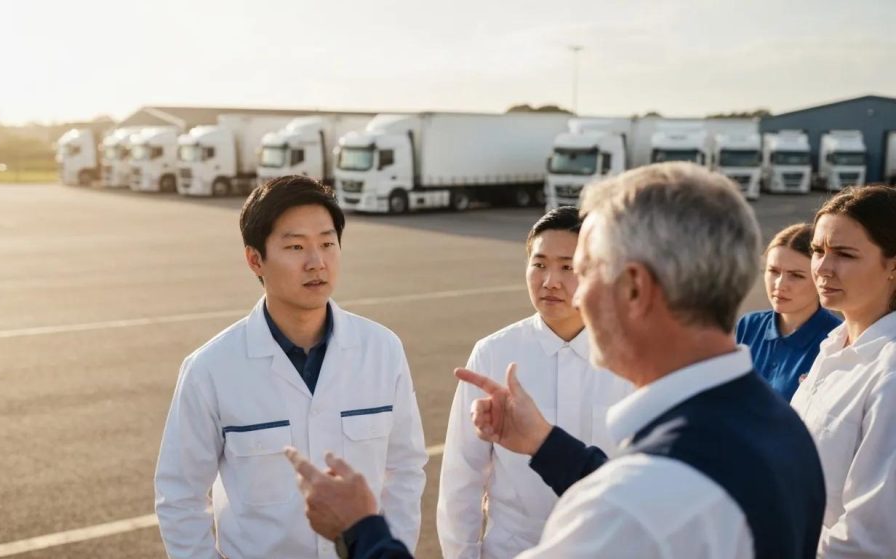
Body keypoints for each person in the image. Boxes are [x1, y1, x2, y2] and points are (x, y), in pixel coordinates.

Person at [287, 162, 826, 559]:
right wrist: (547, 446)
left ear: (635, 288)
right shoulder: (781, 428)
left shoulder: (637, 504)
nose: (570, 290)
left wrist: (361, 528)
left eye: (585, 271)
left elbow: (637, 503)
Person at [154, 175, 427, 559]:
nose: (317, 262)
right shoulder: (210, 369)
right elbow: (179, 495)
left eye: (327, 244)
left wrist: (383, 549)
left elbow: (405, 470)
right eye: (296, 246)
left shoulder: (382, 350)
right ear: (255, 259)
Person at [437, 207, 632, 558]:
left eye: (568, 267)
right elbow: (461, 476)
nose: (550, 281)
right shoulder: (494, 353)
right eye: (539, 264)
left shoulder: (632, 358)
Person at [790, 185, 896, 558]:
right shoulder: (834, 345)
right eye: (817, 251)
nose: (821, 268)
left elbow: (869, 540)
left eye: (845, 254)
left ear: (893, 266)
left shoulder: (890, 370)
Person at [736, 223, 841, 400]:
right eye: (773, 271)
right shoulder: (749, 325)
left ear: (821, 278)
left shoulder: (837, 340)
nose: (780, 284)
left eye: (796, 275)